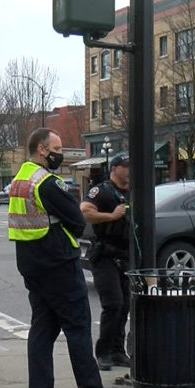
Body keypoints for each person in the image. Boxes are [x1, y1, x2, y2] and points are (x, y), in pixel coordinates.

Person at [9, 128, 120, 388]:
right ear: (42, 149)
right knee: (77, 326)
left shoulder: (20, 179)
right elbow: (75, 218)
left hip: (32, 263)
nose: (61, 153)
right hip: (57, 262)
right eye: (57, 148)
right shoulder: (46, 182)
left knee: (42, 328)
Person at [80, 154, 131, 371]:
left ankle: (118, 351)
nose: (130, 170)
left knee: (125, 305)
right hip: (105, 255)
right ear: (115, 168)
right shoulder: (102, 190)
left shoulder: (131, 192)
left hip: (125, 255)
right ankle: (103, 353)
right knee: (113, 304)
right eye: (127, 166)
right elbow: (85, 212)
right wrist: (112, 216)